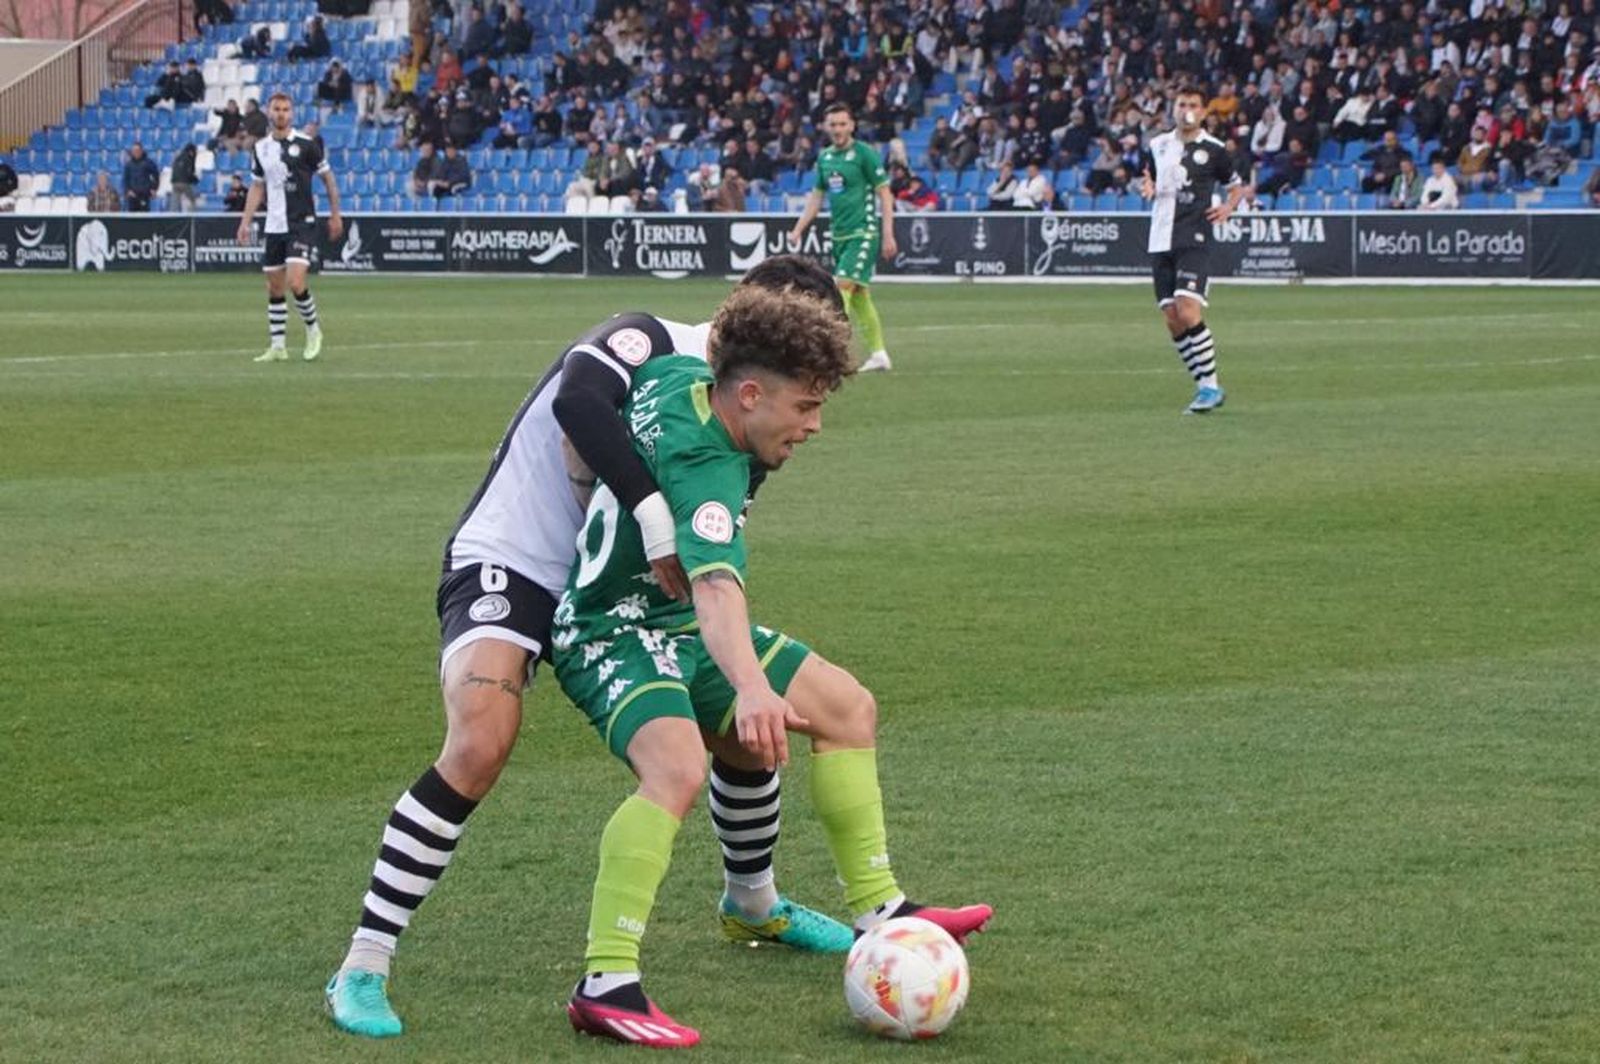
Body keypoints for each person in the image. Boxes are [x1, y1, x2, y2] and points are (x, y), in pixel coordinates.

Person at [322, 257, 860, 1041]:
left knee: (739, 716)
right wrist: (647, 508)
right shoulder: (650, 339)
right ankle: (363, 963)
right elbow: (578, 398)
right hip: (515, 560)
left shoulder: (743, 424)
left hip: (617, 596)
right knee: (479, 744)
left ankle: (754, 904)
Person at [554, 284, 993, 1048]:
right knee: (677, 769)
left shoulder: (675, 379)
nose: (815, 426)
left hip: (675, 620)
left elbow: (592, 430)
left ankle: (879, 908)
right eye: (805, 407)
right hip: (608, 629)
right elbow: (719, 589)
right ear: (750, 395)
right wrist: (750, 688)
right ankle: (605, 982)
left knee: (847, 708)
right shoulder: (711, 471)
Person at [1137, 83, 1247, 414]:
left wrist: (1228, 207)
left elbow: (1237, 187)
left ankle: (1211, 387)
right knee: (1172, 319)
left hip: (1193, 238)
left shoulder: (1214, 149)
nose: (1187, 108)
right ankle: (1204, 388)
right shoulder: (1157, 144)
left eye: (1194, 104)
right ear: (1174, 108)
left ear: (1203, 111)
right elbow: (1149, 178)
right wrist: (1148, 186)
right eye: (1182, 102)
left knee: (1188, 311)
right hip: (1160, 238)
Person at [789, 103, 898, 373]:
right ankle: (879, 353)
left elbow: (885, 193)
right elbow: (817, 197)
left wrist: (887, 234)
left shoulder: (865, 154)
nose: (837, 129)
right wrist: (799, 227)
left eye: (842, 124)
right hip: (839, 234)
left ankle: (826, 353)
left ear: (852, 126)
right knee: (860, 295)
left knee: (842, 288)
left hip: (863, 232)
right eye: (833, 124)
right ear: (827, 127)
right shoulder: (825, 158)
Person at [236, 93, 342, 363]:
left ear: (292, 114)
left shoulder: (307, 145)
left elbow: (328, 180)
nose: (281, 114)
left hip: (301, 223)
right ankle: (278, 347)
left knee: (296, 282)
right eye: (276, 109)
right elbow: (257, 186)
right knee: (274, 288)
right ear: (269, 113)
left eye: (286, 109)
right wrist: (245, 221)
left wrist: (335, 215)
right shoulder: (260, 148)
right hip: (274, 225)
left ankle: (313, 330)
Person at [122, 143, 160, 212]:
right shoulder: (128, 165)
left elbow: (156, 175)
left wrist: (154, 188)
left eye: (137, 150)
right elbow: (125, 179)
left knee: (144, 219)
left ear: (141, 151)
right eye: (134, 150)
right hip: (132, 196)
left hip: (144, 196)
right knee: (132, 219)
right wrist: (128, 190)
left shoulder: (148, 163)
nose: (136, 152)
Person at [169, 142, 200, 212]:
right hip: (184, 182)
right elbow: (188, 173)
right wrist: (195, 179)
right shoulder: (188, 159)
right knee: (193, 199)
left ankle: (172, 216)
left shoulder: (178, 158)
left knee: (175, 202)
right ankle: (192, 216)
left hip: (175, 182)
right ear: (191, 151)